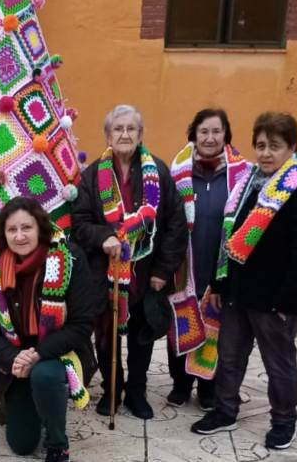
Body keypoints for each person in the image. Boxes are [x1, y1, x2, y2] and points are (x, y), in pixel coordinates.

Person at [191, 111, 297, 450]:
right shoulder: (248, 185)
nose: (266, 153)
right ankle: (225, 411)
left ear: (292, 147)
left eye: (275, 146)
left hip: (275, 299)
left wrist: (289, 300)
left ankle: (284, 421)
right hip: (239, 293)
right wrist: (221, 284)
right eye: (261, 145)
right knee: (230, 356)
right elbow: (231, 237)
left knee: (278, 362)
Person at [71, 103, 186, 419]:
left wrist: (163, 269)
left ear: (140, 134)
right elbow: (79, 222)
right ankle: (111, 391)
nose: (124, 134)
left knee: (141, 337)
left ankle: (136, 392)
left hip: (145, 274)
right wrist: (103, 236)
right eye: (118, 129)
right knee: (106, 337)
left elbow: (175, 224)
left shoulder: (158, 172)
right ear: (108, 135)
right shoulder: (92, 175)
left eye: (130, 129)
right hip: (103, 276)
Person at [0, 197, 95, 462]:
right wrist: (12, 357)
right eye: (12, 230)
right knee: (22, 444)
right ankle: (38, 403)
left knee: (44, 376)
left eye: (26, 228)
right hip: (16, 359)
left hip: (59, 353)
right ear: (3, 234)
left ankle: (57, 442)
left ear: (40, 227)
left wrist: (38, 353)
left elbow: (82, 324)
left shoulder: (70, 257)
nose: (20, 236)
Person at [166, 109, 249, 411]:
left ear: (226, 135)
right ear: (193, 135)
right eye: (204, 131)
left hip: (221, 269)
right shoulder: (178, 175)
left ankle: (208, 388)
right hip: (186, 265)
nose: (210, 138)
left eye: (216, 131)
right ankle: (180, 384)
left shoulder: (241, 177)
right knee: (181, 324)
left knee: (216, 327)